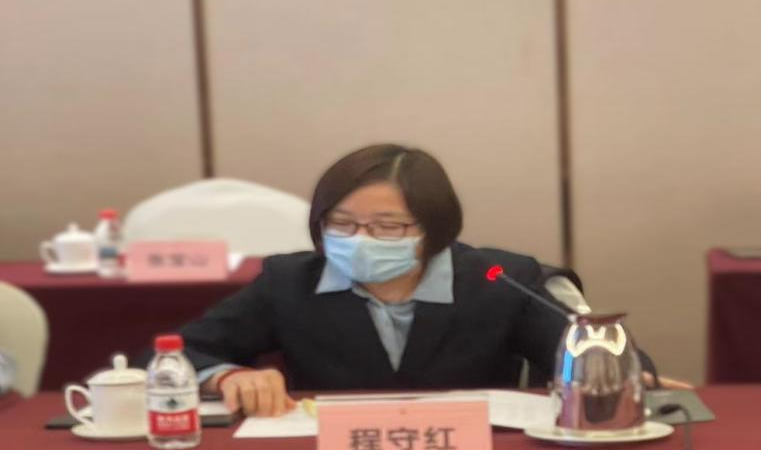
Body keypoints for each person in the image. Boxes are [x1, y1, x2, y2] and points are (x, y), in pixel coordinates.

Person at [162, 144, 676, 416]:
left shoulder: (500, 280)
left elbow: (596, 357)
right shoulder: (289, 282)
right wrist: (226, 376)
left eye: (387, 227)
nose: (360, 239)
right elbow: (171, 355)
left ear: (436, 228)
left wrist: (619, 372)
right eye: (341, 224)